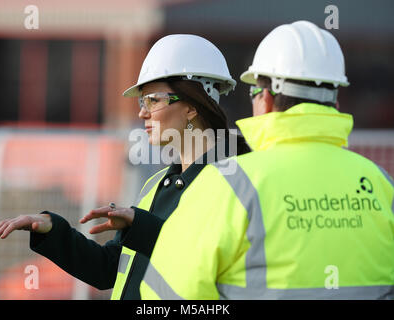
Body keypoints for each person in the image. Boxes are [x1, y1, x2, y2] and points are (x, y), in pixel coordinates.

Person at [140, 21, 394, 299]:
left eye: (253, 93)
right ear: (335, 103)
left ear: (266, 100)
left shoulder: (227, 183)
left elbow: (165, 295)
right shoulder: (381, 184)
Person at [0, 34, 250, 300]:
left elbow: (205, 260)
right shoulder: (158, 184)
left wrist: (141, 226)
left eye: (153, 100)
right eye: (141, 101)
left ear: (192, 106)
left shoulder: (235, 181)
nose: (142, 113)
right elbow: (108, 270)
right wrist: (52, 230)